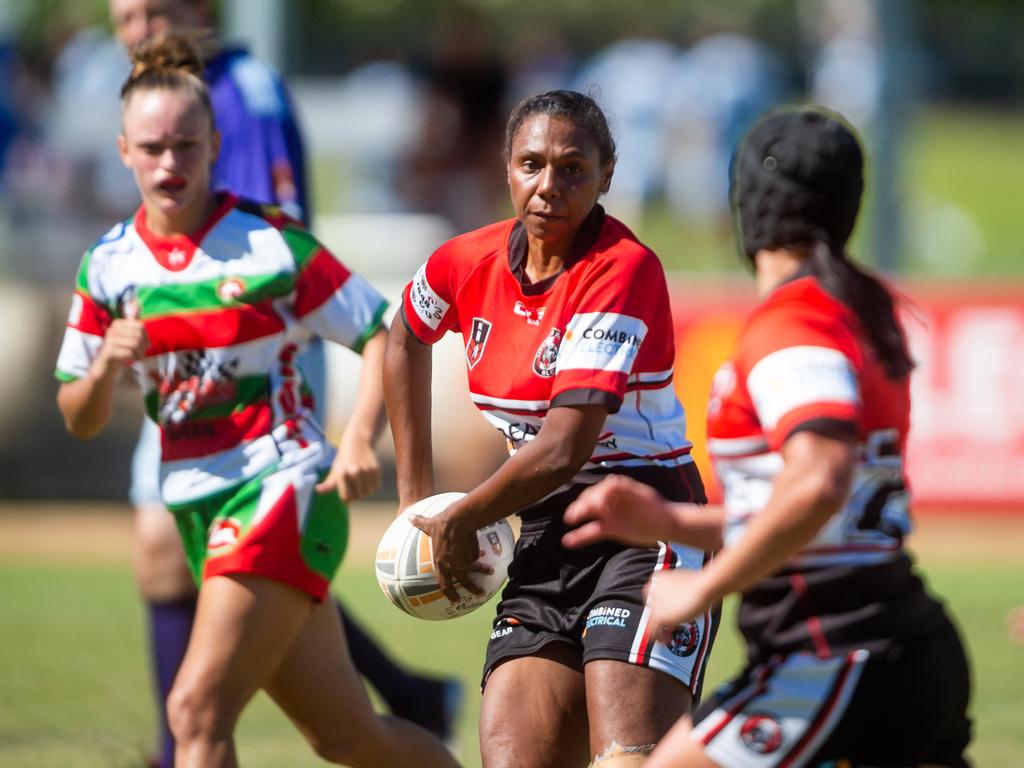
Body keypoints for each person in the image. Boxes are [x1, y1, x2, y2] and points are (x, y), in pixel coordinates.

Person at [55, 31, 461, 768]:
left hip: (282, 488)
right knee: (348, 738)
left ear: (215, 142)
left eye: (186, 144)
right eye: (152, 148)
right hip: (195, 504)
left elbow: (383, 332)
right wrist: (102, 370)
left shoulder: (271, 244)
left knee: (193, 713)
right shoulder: (108, 266)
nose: (170, 163)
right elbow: (76, 417)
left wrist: (363, 435)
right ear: (123, 151)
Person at [563, 106, 973, 767]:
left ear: (747, 200)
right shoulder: (853, 312)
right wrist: (674, 521)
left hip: (836, 652)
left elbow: (818, 481)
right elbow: (815, 519)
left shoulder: (794, 325)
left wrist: (702, 586)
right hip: (904, 645)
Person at [384, 90, 716, 768]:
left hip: (644, 525)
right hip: (540, 534)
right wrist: (419, 505)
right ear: (506, 168)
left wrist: (464, 518)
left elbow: (566, 446)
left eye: (573, 169)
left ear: (607, 176)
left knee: (628, 758)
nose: (548, 186)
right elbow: (403, 339)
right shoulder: (465, 260)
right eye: (531, 164)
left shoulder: (622, 269)